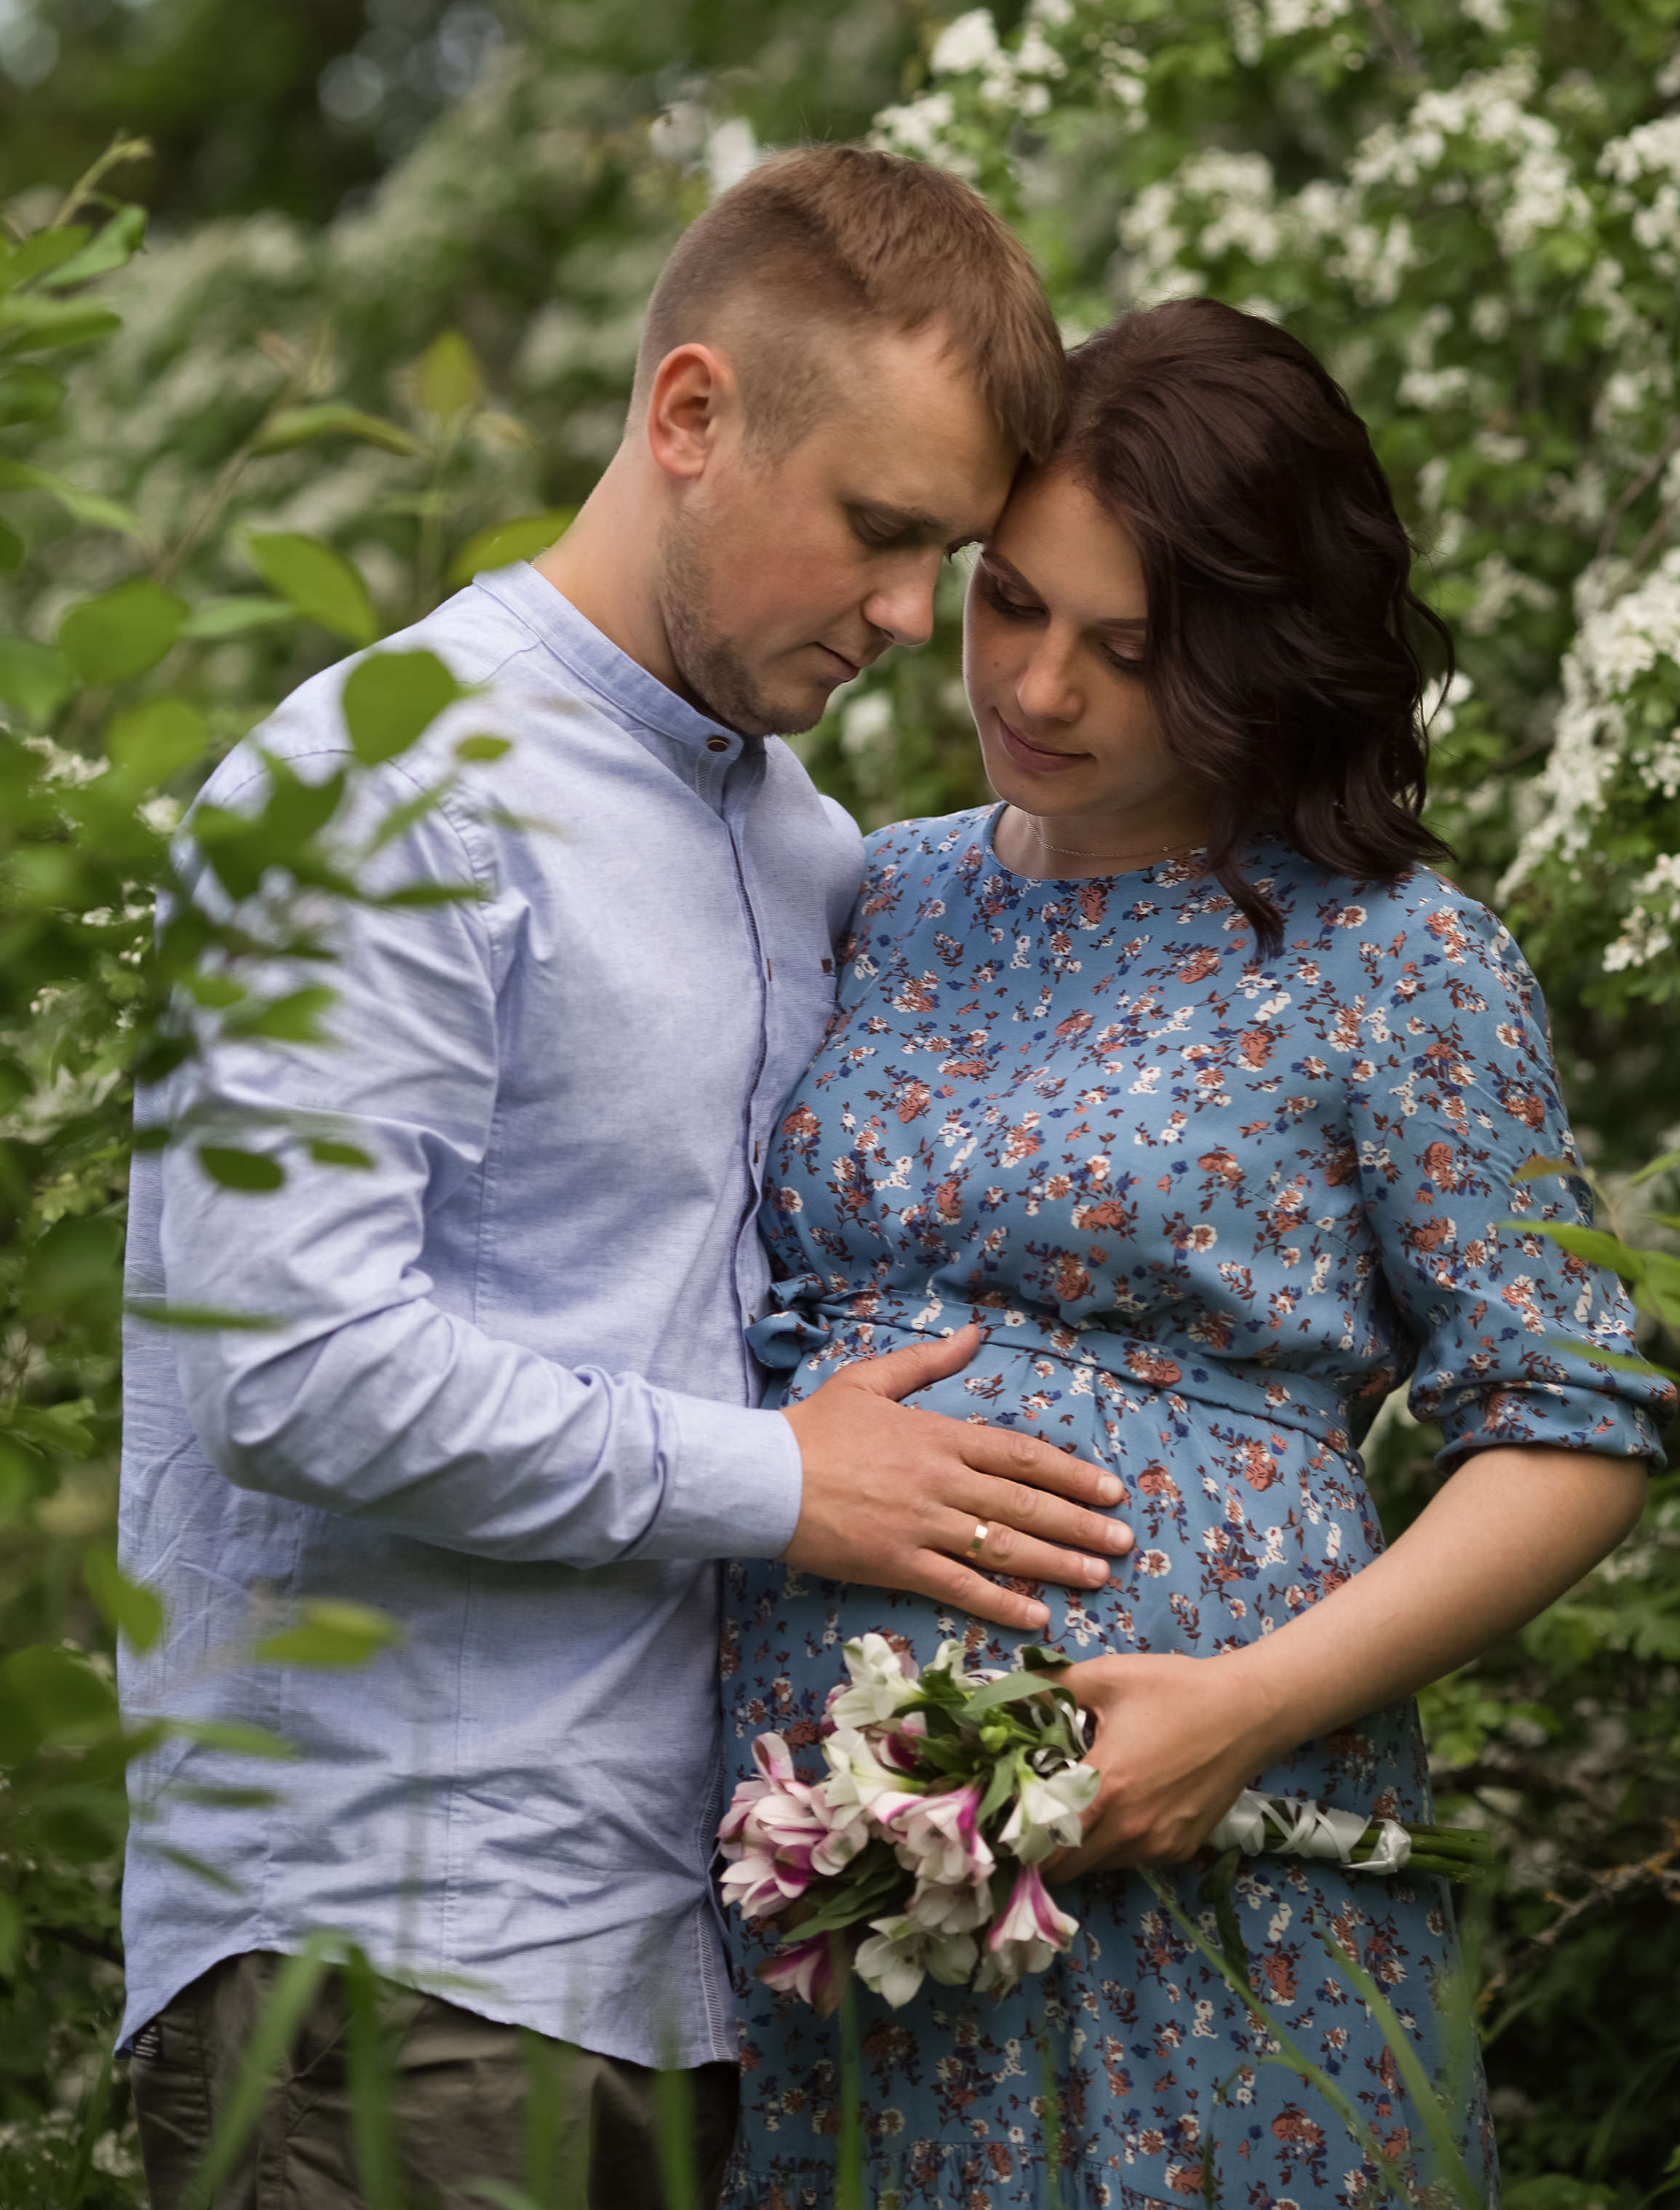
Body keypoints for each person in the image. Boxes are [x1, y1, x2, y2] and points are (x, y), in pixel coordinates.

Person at [117, 146, 1137, 2210]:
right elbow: (292, 1365)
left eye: (942, 556)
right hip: (383, 1967)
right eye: (874, 532)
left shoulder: (805, 845)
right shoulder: (382, 785)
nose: (898, 619)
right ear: (691, 415)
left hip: (694, 1971)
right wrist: (793, 1481)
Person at [721, 297, 1676, 2209]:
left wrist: (1243, 1713)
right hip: (830, 1903)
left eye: (1130, 650)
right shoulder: (871, 894)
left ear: (1260, 655)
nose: (1042, 688)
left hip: (1213, 1879)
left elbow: (1572, 1426)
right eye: (1014, 607)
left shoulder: (1388, 956)